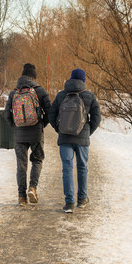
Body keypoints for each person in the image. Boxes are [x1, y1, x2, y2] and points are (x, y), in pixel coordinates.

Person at [49, 68, 101, 213]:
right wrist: (87, 131)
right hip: (82, 139)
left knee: (67, 168)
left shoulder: (61, 95)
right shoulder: (89, 96)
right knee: (82, 167)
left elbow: (51, 115)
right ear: (84, 80)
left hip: (65, 137)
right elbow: (97, 118)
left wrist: (59, 129)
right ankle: (82, 199)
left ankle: (69, 202)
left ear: (70, 79)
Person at [4, 63, 51, 206]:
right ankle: (32, 188)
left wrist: (16, 126)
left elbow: (6, 115)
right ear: (34, 77)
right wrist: (41, 125)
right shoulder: (40, 91)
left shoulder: (13, 93)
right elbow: (50, 112)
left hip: (19, 135)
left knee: (21, 165)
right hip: (36, 133)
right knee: (37, 160)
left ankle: (21, 197)